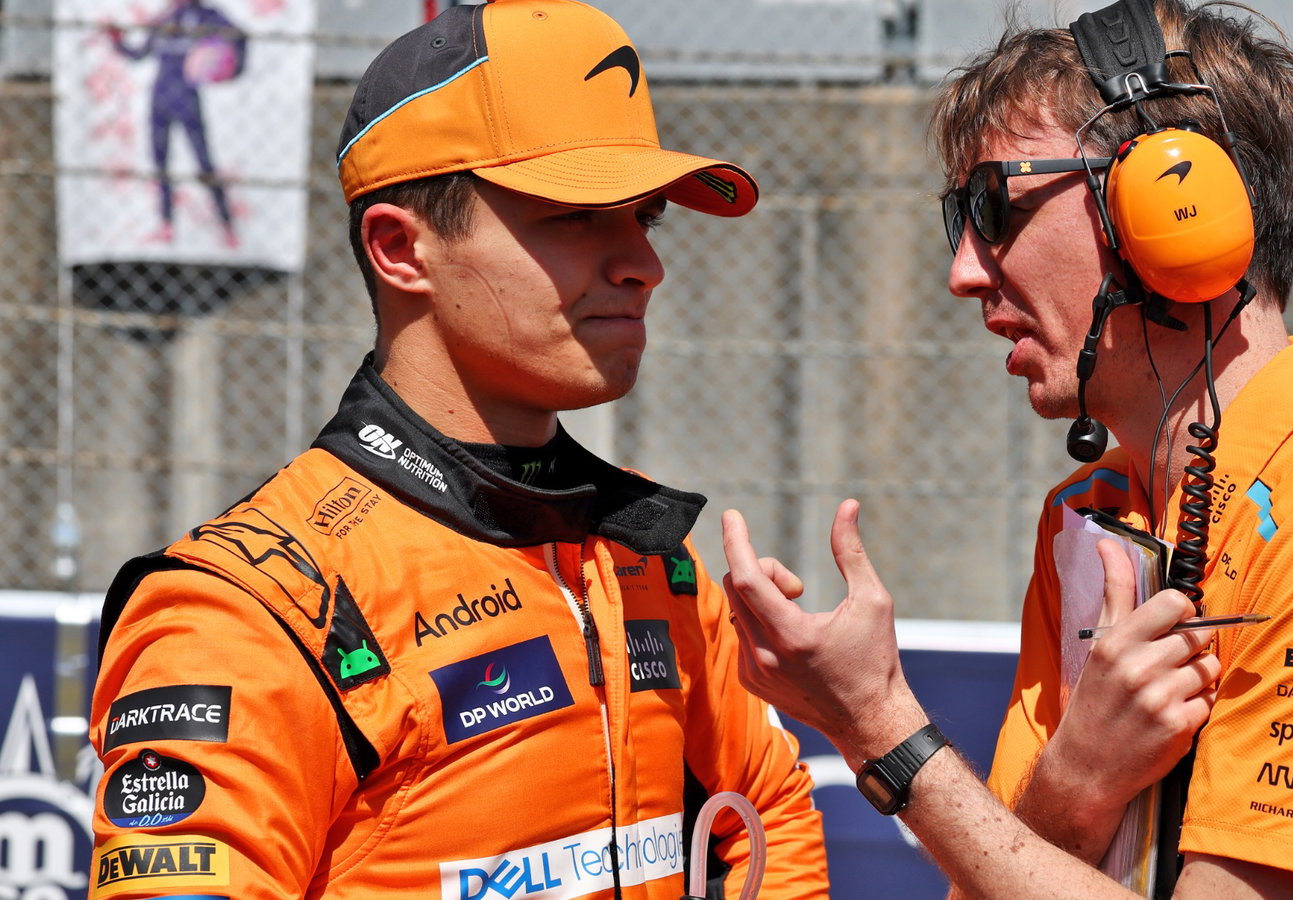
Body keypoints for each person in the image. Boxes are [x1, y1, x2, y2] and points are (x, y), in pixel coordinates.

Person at [720, 0, 1293, 898]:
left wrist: (879, 725)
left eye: (995, 208)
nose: (964, 271)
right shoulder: (1093, 516)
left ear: (1171, 206)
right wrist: (1075, 783)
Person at [87, 2, 827, 898]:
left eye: (645, 218)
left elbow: (771, 809)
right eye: (577, 214)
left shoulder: (642, 547)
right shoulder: (246, 613)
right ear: (401, 248)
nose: (643, 262)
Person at [108, 0, 245, 246]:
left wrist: (228, 68)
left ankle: (226, 225)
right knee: (161, 163)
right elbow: (139, 54)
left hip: (186, 97)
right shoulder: (165, 18)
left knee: (204, 164)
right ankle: (166, 223)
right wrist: (117, 41)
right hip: (160, 97)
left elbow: (238, 37)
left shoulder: (206, 15)